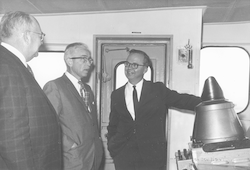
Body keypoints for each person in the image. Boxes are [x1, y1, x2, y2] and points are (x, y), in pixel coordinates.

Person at [107, 49, 202, 170]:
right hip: (124, 156)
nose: (129, 67)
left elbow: (182, 100)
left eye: (135, 65)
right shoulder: (116, 94)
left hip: (152, 156)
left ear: (145, 69)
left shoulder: (158, 90)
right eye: (127, 64)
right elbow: (113, 125)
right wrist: (113, 146)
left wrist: (208, 102)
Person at [0, 11, 62, 169]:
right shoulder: (7, 67)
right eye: (40, 35)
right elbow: (12, 135)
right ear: (27, 36)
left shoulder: (12, 64)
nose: (42, 41)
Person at [43, 42, 103, 170]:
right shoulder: (55, 87)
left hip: (93, 156)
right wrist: (70, 145)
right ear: (69, 61)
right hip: (73, 159)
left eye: (89, 59)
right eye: (83, 59)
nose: (88, 63)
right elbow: (48, 124)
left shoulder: (87, 89)